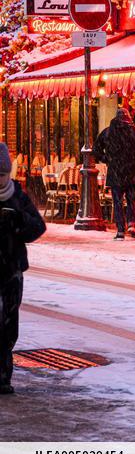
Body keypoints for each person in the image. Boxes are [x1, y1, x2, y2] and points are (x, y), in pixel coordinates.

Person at [0, 142, 46, 395]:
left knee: (8, 322)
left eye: (2, 174)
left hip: (11, 267)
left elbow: (37, 227)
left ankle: (3, 376)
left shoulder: (18, 196)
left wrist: (19, 221)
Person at [93, 108, 135, 240]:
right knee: (131, 200)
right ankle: (131, 224)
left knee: (117, 202)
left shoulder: (108, 132)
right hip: (131, 172)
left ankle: (120, 230)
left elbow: (96, 149)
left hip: (115, 172)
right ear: (128, 117)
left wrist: (106, 158)